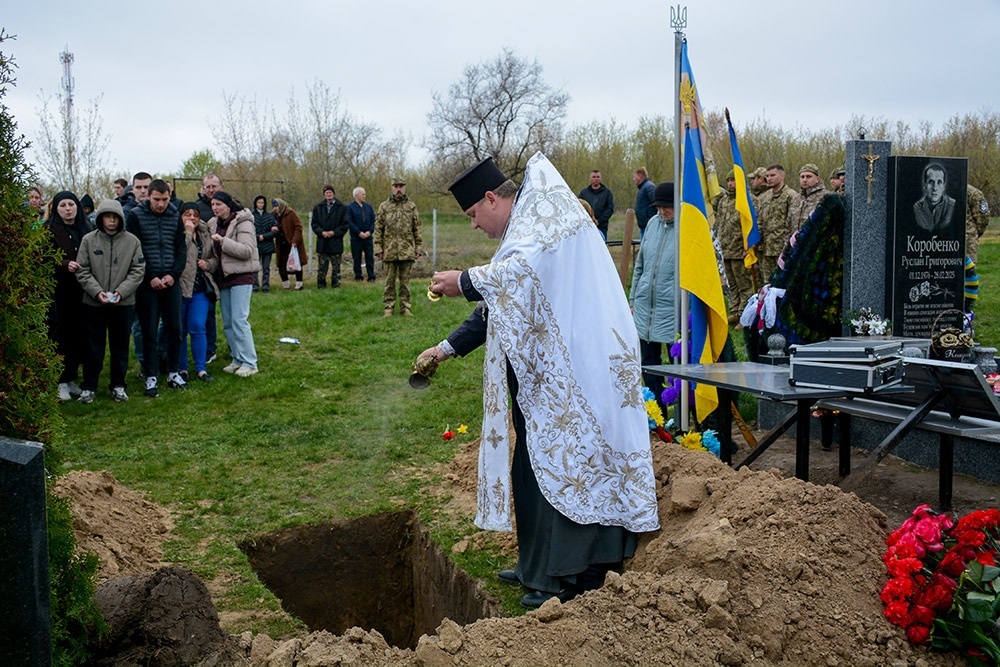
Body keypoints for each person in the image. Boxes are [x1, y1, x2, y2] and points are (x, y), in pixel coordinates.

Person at [420, 154, 658, 609]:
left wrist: (464, 280)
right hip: (550, 376)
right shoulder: (526, 226)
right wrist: (445, 348)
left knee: (571, 463)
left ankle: (572, 573)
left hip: (582, 366)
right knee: (534, 466)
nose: (474, 225)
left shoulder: (545, 218)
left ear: (491, 199)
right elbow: (503, 301)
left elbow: (519, 274)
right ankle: (537, 565)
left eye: (473, 214)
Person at [74, 199, 145, 403]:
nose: (112, 221)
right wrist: (97, 292)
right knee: (93, 346)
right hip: (94, 303)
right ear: (100, 218)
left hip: (123, 304)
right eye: (107, 217)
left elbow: (138, 270)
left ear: (121, 219)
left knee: (120, 346)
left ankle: (118, 385)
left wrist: (120, 292)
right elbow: (82, 269)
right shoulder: (89, 240)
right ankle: (89, 386)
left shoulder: (132, 241)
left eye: (115, 217)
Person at [126, 178, 186, 398]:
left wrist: (173, 275)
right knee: (149, 330)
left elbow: (181, 249)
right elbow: (135, 249)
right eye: (157, 199)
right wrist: (150, 276)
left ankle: (173, 372)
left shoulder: (175, 216)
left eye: (165, 199)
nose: (161, 204)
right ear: (148, 197)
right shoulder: (135, 216)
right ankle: (150, 375)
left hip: (171, 280)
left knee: (175, 329)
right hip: (147, 283)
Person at [629, 181, 677, 406]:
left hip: (672, 310)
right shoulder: (652, 224)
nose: (662, 210)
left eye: (667, 206)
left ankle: (682, 415)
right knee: (648, 367)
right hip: (644, 308)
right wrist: (633, 299)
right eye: (659, 206)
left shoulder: (687, 228)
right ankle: (657, 414)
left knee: (678, 368)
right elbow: (640, 265)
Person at [46, 191, 94, 401]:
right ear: (56, 209)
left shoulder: (86, 228)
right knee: (60, 335)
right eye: (63, 205)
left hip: (82, 289)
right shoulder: (49, 229)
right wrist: (65, 264)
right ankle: (59, 381)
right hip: (59, 290)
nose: (68, 209)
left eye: (71, 204)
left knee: (79, 335)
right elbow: (44, 256)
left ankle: (71, 377)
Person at [209, 191, 260, 377]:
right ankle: (237, 358)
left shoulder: (243, 222)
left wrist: (223, 241)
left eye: (218, 204)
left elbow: (247, 251)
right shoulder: (213, 224)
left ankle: (250, 362)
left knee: (239, 320)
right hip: (223, 278)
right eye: (212, 204)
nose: (215, 208)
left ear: (228, 205)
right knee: (228, 323)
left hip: (241, 277)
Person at [178, 202, 218, 383]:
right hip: (180, 288)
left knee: (198, 326)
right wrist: (187, 233)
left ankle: (201, 368)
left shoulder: (205, 233)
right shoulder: (176, 232)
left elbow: (214, 259)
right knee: (180, 330)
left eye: (195, 215)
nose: (192, 218)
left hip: (200, 288)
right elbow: (177, 253)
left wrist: (207, 264)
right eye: (187, 214)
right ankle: (182, 368)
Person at [714, 171, 758, 324]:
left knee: (743, 284)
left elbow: (754, 224)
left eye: (733, 180)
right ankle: (734, 311)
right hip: (725, 249)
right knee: (731, 284)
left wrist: (749, 246)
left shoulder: (748, 200)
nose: (730, 184)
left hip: (740, 249)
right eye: (728, 180)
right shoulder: (724, 200)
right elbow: (719, 222)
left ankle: (744, 314)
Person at [375, 178, 421, 316]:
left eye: (401, 186)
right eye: (396, 186)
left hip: (406, 250)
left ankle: (405, 307)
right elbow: (378, 229)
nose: (399, 189)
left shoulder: (411, 207)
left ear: (404, 187)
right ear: (392, 188)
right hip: (389, 250)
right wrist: (378, 249)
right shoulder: (384, 207)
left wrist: (418, 248)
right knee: (389, 282)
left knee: (405, 282)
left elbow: (417, 229)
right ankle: (388, 308)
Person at [756, 164, 797, 281]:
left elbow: (792, 223)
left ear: (782, 176)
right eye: (767, 176)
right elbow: (760, 221)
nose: (769, 179)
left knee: (783, 282)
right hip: (766, 249)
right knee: (767, 283)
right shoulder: (765, 197)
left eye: (772, 175)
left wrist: (789, 247)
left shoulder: (791, 196)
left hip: (782, 249)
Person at [311, 185, 350, 289]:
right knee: (322, 268)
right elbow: (314, 224)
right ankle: (321, 286)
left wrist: (334, 232)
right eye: (326, 193)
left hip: (336, 242)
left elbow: (345, 225)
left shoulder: (342, 207)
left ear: (334, 194)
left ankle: (336, 286)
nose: (328, 194)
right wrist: (322, 232)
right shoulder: (318, 207)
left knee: (336, 268)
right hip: (322, 242)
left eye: (330, 192)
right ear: (324, 194)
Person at [272, 198, 307, 290]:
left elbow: (298, 227)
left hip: (291, 243)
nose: (275, 208)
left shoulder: (291, 213)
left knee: (296, 263)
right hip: (280, 244)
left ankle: (299, 284)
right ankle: (286, 285)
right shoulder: (274, 215)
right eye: (273, 207)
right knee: (281, 264)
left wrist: (295, 240)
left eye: (276, 206)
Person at [913, 162, 956, 234]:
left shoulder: (953, 206)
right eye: (931, 182)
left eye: (939, 182)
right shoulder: (916, 207)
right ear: (924, 186)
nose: (935, 188)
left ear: (944, 186)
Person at [787, 163, 829, 232]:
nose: (805, 180)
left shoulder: (826, 197)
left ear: (817, 179)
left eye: (808, 177)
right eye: (802, 177)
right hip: (795, 238)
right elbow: (788, 224)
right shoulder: (796, 198)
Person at [347, 186, 376, 282]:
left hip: (368, 237)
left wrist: (370, 232)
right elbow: (349, 222)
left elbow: (373, 221)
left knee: (369, 257)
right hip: (356, 238)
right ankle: (358, 276)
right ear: (356, 196)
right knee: (357, 258)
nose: (364, 196)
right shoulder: (350, 208)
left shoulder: (369, 207)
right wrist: (358, 232)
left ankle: (371, 276)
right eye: (362, 194)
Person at [251, 195, 279, 292]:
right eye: (258, 202)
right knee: (255, 268)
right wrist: (258, 237)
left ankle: (265, 286)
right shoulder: (251, 216)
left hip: (267, 246)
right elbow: (248, 231)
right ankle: (255, 286)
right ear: (255, 203)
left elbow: (275, 231)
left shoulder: (270, 216)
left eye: (262, 203)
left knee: (266, 268)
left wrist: (264, 236)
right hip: (255, 245)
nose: (260, 204)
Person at [578, 169, 614, 239]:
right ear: (590, 178)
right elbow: (579, 207)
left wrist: (599, 221)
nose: (596, 179)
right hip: (586, 227)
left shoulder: (607, 192)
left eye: (598, 177)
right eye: (594, 177)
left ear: (600, 178)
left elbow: (610, 209)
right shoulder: (584, 193)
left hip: (601, 227)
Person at [966, 183, 992, 264]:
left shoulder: (972, 193)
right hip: (944, 244)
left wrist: (974, 233)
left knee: (968, 270)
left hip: (967, 244)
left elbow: (983, 218)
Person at [632, 167, 656, 237]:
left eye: (635, 177)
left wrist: (650, 219)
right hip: (644, 225)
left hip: (649, 225)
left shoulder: (649, 187)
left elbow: (655, 204)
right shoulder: (643, 188)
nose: (633, 179)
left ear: (640, 176)